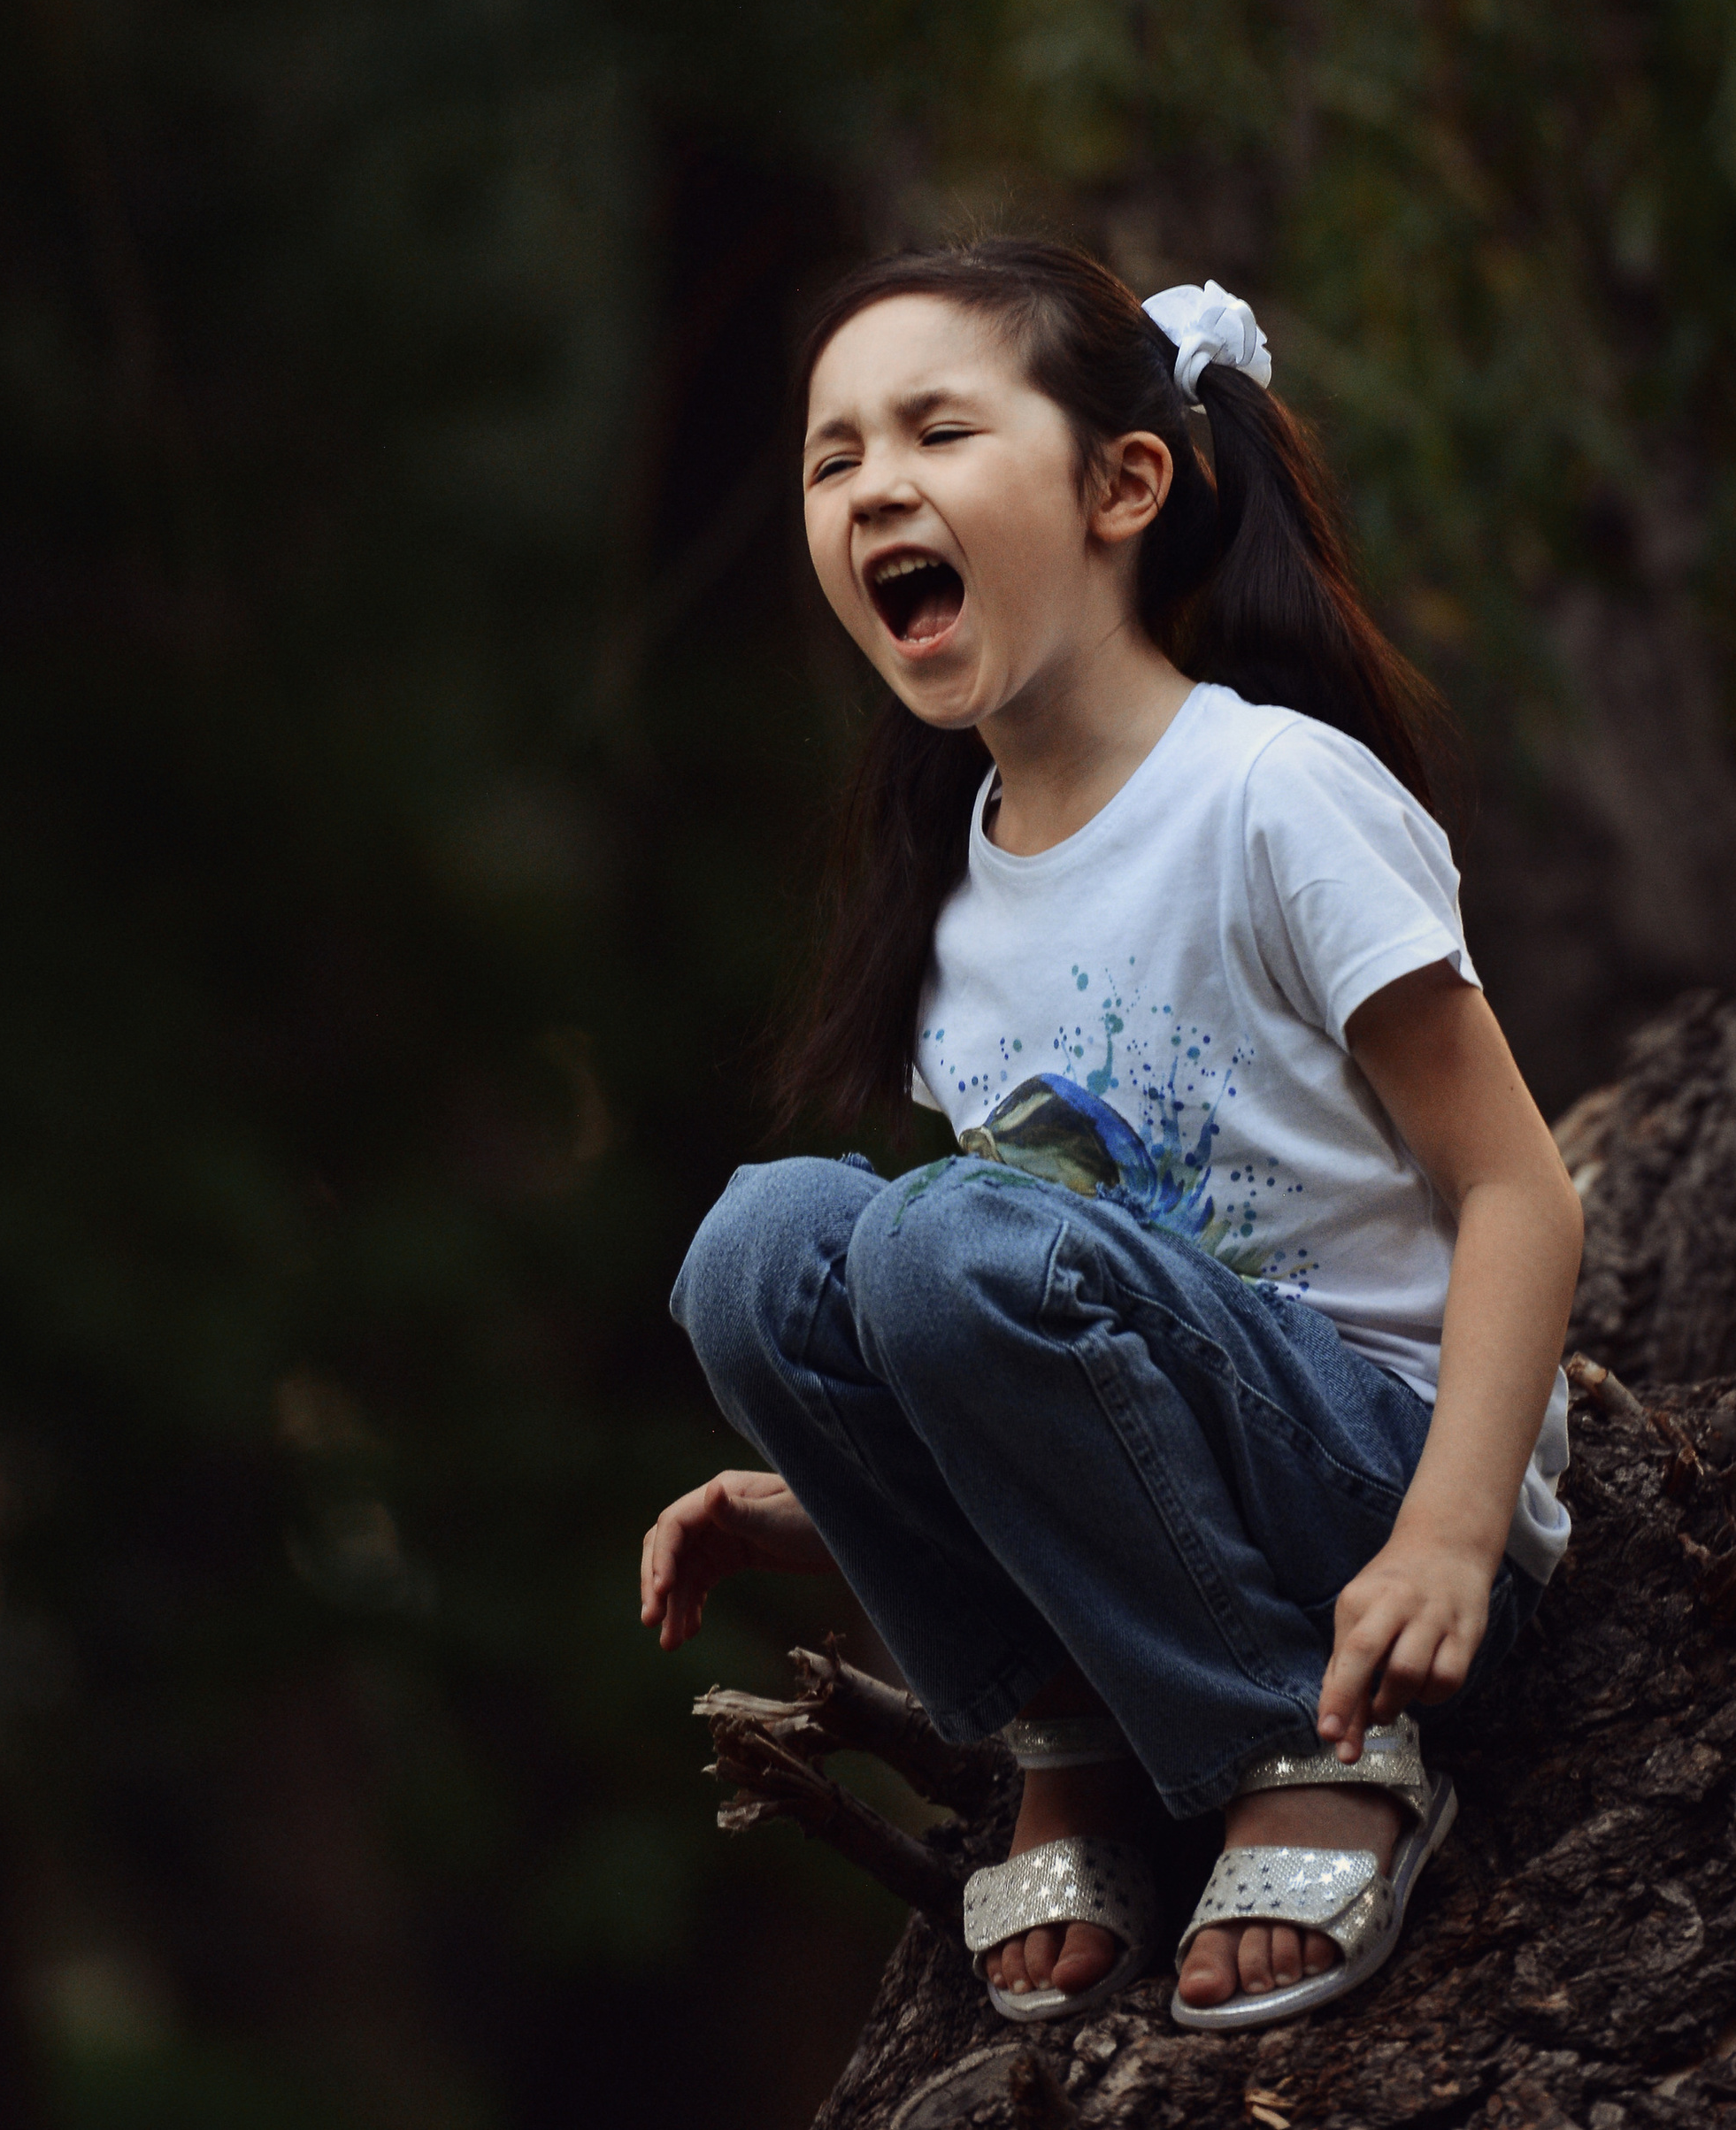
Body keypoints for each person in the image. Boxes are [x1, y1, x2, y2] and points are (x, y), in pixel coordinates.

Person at [640, 240, 1585, 2031]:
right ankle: (1063, 1722)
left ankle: (1302, 1750)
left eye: (933, 430)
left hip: (1377, 1523)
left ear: (1120, 486)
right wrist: (844, 1477)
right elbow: (1035, 1325)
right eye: (832, 457)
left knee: (938, 1230)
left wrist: (1455, 1534)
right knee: (755, 1254)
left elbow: (1513, 1188)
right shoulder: (953, 890)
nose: (872, 488)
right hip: (1150, 1527)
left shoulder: (1267, 795)